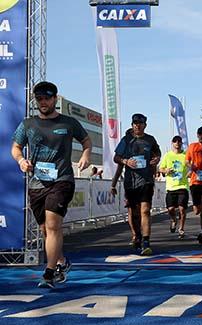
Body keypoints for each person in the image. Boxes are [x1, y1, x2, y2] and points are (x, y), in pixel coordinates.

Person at [11, 81, 92, 288]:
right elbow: (16, 147)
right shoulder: (28, 124)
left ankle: (49, 273)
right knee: (45, 230)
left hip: (62, 180)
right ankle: (61, 261)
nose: (43, 102)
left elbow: (86, 141)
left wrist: (86, 155)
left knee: (53, 225)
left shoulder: (69, 122)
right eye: (39, 99)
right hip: (37, 183)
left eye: (47, 98)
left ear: (55, 98)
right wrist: (21, 161)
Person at [114, 113, 161, 256]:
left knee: (145, 211)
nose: (137, 125)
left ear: (145, 125)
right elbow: (116, 157)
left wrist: (156, 159)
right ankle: (137, 236)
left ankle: (146, 242)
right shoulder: (126, 140)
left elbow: (157, 154)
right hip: (130, 181)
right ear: (132, 125)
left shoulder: (150, 140)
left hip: (146, 180)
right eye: (135, 123)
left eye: (140, 123)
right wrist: (126, 161)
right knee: (134, 214)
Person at [111, 129, 141, 250]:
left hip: (143, 183)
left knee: (140, 211)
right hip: (129, 184)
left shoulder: (142, 150)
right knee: (131, 211)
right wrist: (113, 185)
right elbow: (119, 170)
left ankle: (140, 234)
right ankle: (135, 234)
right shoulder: (125, 154)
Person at [159, 135, 189, 239]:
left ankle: (181, 229)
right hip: (171, 187)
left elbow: (193, 165)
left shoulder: (186, 155)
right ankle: (174, 220)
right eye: (175, 141)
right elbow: (160, 169)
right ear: (172, 143)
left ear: (181, 143)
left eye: (179, 141)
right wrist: (165, 170)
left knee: (182, 209)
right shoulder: (167, 156)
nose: (177, 143)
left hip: (183, 186)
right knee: (171, 209)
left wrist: (191, 172)